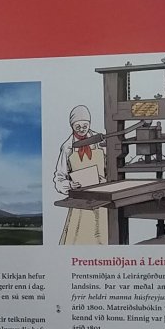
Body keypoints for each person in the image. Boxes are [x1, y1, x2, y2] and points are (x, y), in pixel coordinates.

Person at [53, 103, 109, 245]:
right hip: (81, 203)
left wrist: (107, 180)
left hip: (102, 200)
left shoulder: (100, 142)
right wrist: (69, 184)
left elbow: (111, 167)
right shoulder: (67, 147)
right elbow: (59, 178)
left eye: (85, 125)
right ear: (72, 126)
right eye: (78, 126)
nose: (82, 129)